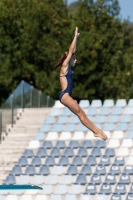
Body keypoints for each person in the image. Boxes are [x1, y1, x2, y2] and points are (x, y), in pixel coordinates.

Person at [54, 27, 108, 141]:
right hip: (65, 96)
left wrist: (77, 38)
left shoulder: (68, 68)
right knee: (81, 114)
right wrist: (75, 36)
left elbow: (73, 51)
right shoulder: (65, 66)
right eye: (75, 59)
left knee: (82, 114)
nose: (76, 60)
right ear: (69, 59)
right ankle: (96, 131)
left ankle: (96, 131)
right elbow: (71, 50)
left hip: (67, 96)